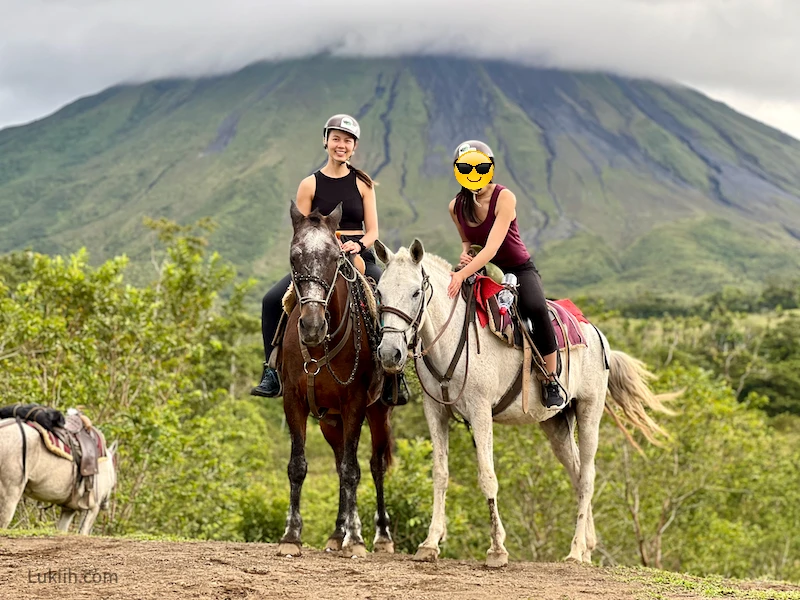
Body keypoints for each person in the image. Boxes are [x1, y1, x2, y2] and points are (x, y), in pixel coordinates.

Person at [251, 113, 409, 406]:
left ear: (354, 147)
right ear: (326, 141)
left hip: (358, 252)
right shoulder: (309, 184)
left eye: (347, 141)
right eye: (336, 138)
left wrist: (356, 245)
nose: (341, 145)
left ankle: (393, 376)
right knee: (271, 300)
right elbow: (300, 232)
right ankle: (271, 371)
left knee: (385, 298)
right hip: (319, 257)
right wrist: (325, 244)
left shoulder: (363, 183)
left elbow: (373, 230)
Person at [446, 140, 568, 410]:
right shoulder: (456, 206)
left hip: (517, 268)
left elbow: (492, 247)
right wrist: (465, 256)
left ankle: (550, 379)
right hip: (482, 267)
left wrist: (461, 272)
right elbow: (469, 241)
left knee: (536, 308)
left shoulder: (504, 197)